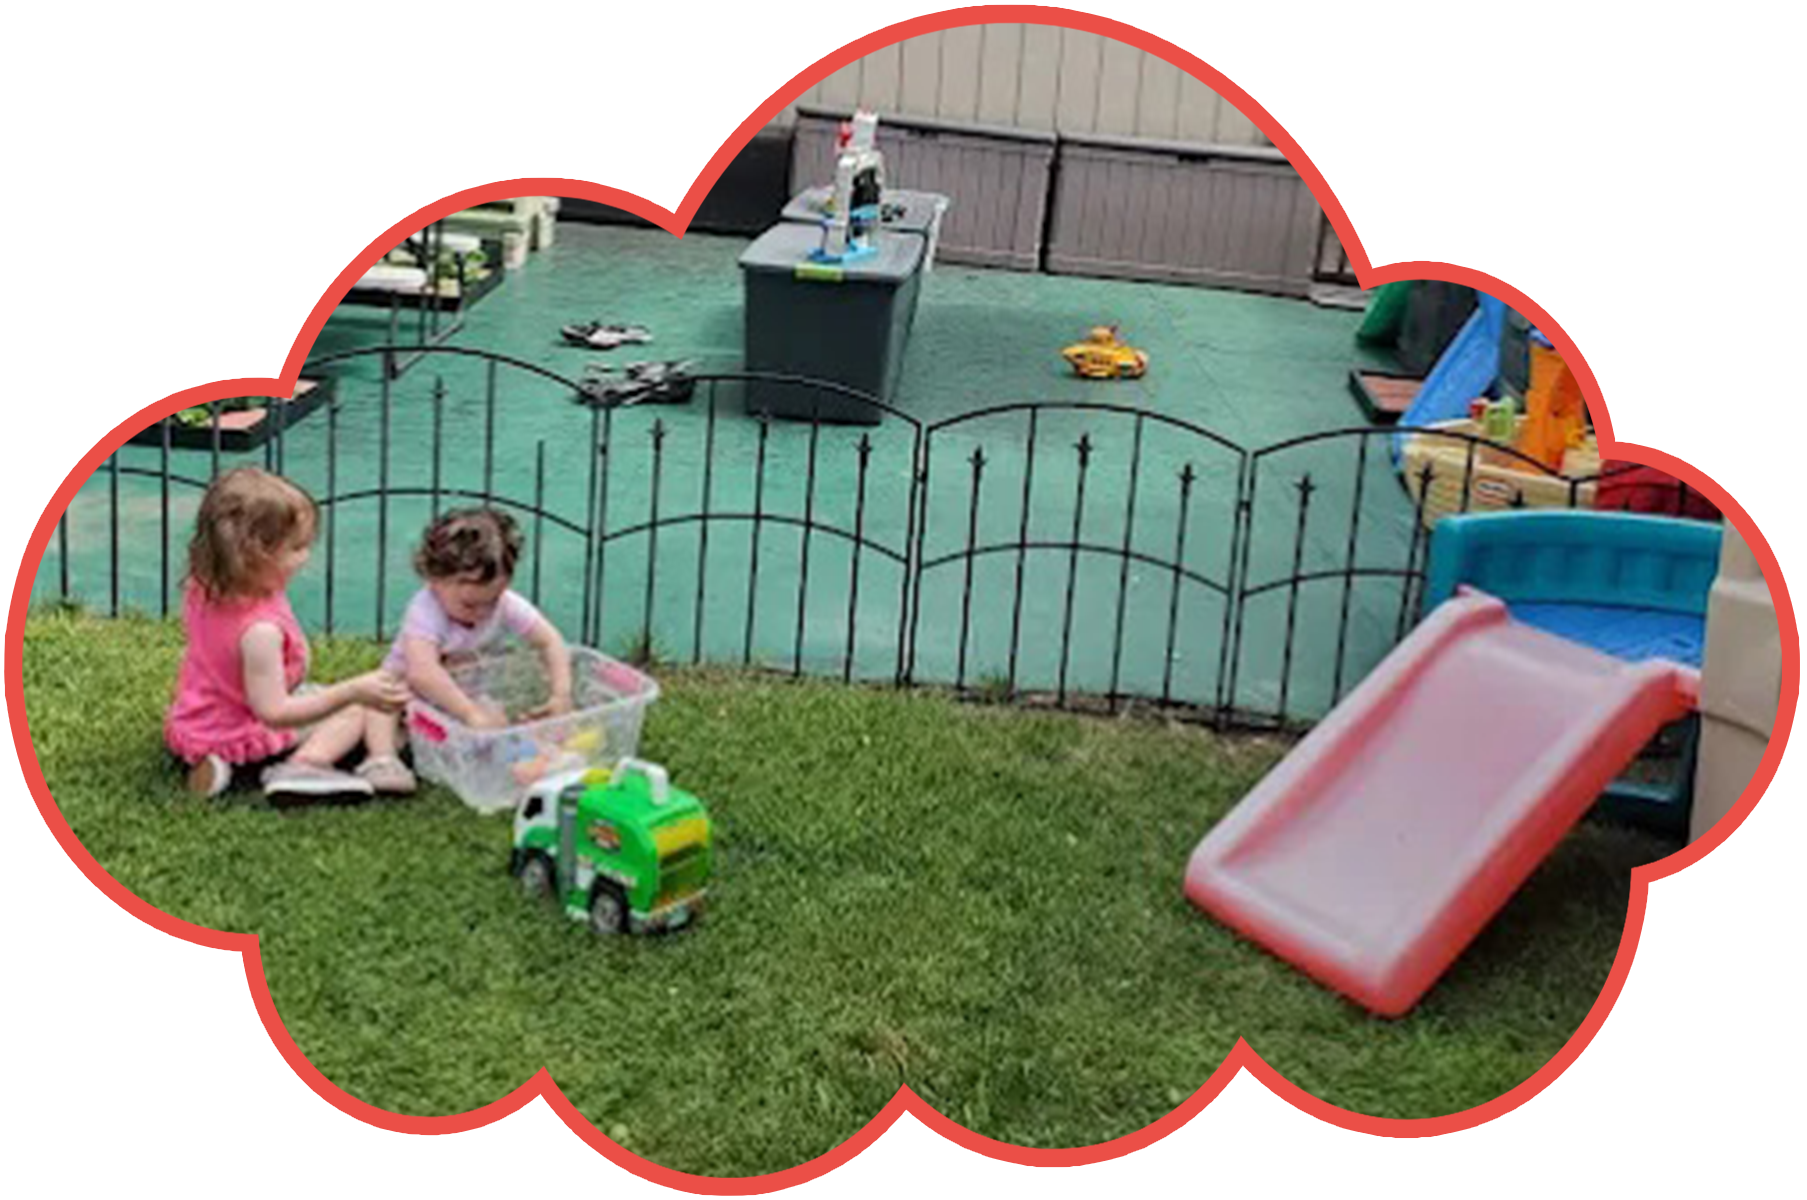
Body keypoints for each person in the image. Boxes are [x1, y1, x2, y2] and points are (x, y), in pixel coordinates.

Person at [164, 468, 411, 800]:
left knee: (316, 696)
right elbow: (274, 712)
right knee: (355, 710)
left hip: (197, 722)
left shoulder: (204, 587)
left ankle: (219, 766)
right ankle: (304, 765)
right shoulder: (259, 632)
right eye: (297, 547)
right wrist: (351, 691)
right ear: (256, 554)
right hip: (244, 726)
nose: (306, 556)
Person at [385, 508, 573, 738]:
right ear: (434, 579)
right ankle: (381, 756)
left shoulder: (505, 603)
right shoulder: (426, 610)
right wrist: (470, 713)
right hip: (403, 696)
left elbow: (550, 641)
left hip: (458, 698)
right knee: (366, 713)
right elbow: (422, 672)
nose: (483, 613)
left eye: (492, 601)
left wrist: (561, 694)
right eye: (469, 605)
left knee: (500, 726)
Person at [1592, 262, 1729, 520]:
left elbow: (1603, 395)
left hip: (1631, 476)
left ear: (1643, 318)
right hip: (1699, 486)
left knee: (1613, 550)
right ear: (1714, 334)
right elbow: (1710, 438)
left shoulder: (1636, 338)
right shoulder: (1712, 376)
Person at [206, 21, 300, 103]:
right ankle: (251, 91)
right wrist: (303, 60)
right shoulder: (258, 36)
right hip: (238, 77)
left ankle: (225, 93)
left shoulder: (233, 34)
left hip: (216, 77)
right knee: (265, 64)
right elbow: (280, 52)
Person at [295, 32, 364, 140]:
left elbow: (296, 73)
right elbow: (359, 94)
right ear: (353, 58)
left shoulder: (310, 64)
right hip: (328, 129)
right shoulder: (344, 75)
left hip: (306, 124)